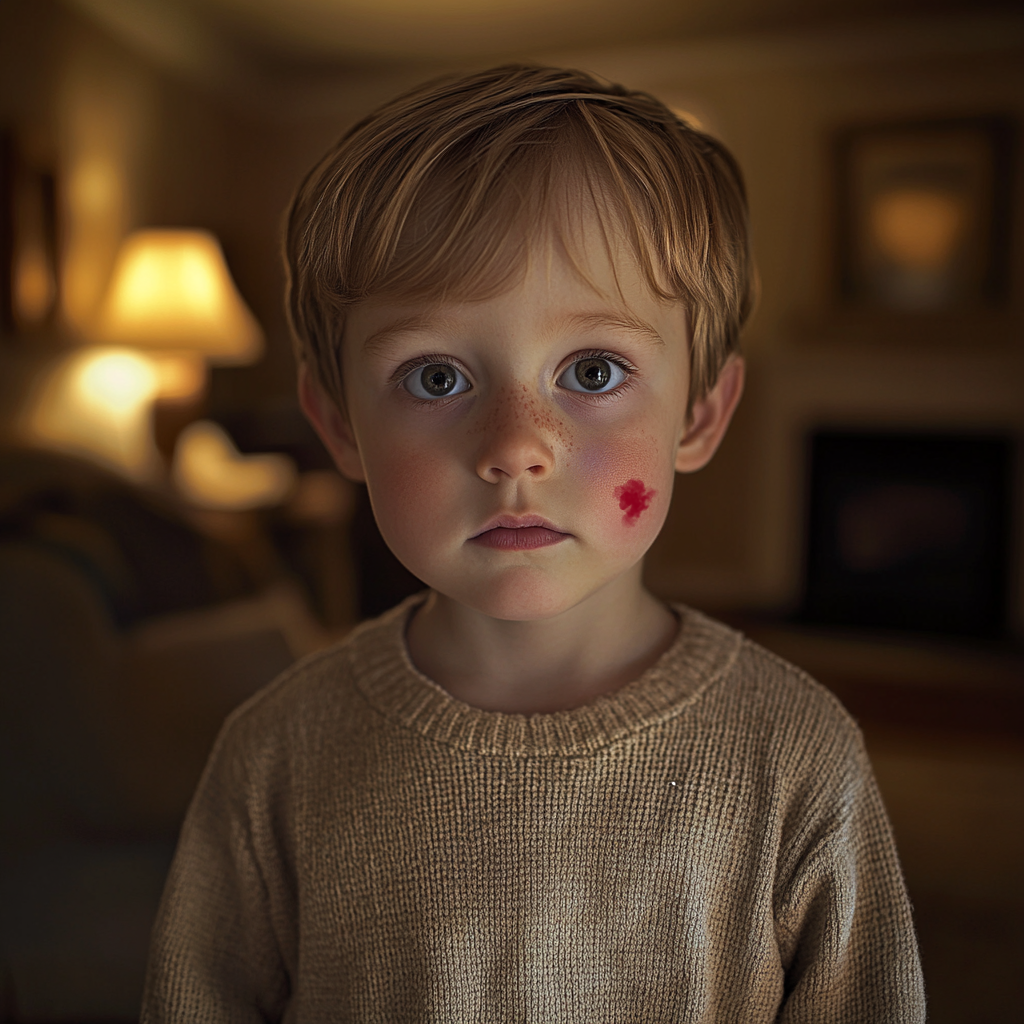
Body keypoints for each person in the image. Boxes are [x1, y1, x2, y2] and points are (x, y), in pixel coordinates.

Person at [140, 65, 925, 1022]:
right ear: (339, 424)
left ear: (701, 412)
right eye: (434, 378)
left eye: (593, 369)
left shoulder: (796, 757)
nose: (515, 447)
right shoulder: (275, 757)